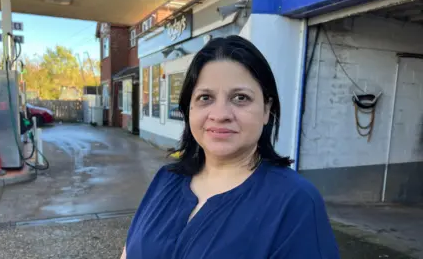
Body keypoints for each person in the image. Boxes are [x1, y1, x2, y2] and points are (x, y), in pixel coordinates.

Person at [120, 35, 340, 259]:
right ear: (189, 109)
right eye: (205, 97)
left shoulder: (295, 202)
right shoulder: (166, 179)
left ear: (266, 110)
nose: (220, 115)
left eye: (240, 98)